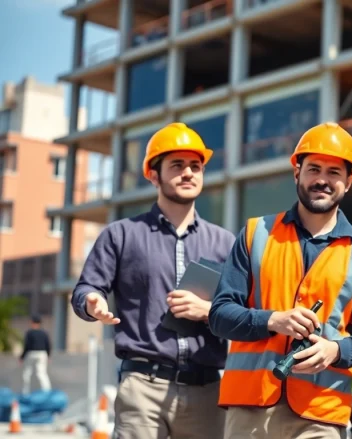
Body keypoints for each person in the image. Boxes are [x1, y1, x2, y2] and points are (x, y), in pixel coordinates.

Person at [208, 122, 352, 439]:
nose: (322, 179)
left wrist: (335, 350)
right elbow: (220, 315)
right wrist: (274, 319)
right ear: (297, 173)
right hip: (250, 407)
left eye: (334, 172)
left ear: (349, 182)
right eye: (314, 169)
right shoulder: (255, 234)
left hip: (321, 413)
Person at [70, 122, 236, 439]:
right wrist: (92, 302)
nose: (188, 173)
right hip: (143, 387)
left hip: (207, 391)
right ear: (153, 174)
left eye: (195, 166)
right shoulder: (120, 235)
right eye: (177, 165)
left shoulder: (224, 242)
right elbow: (86, 288)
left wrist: (209, 310)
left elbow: (244, 309)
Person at [20, 314, 51, 394]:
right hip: (42, 354)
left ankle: (25, 391)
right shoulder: (44, 333)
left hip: (31, 353)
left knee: (27, 372)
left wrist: (22, 357)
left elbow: (26, 345)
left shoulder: (29, 333)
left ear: (32, 322)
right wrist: (48, 355)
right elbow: (48, 344)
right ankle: (47, 391)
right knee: (41, 372)